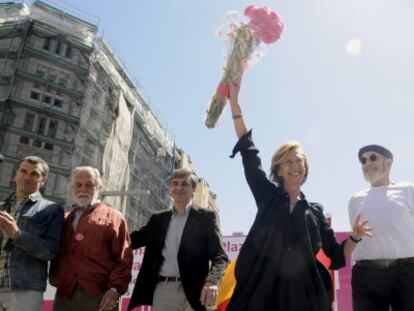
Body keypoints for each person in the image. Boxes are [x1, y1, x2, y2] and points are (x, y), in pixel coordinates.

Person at [225, 78, 372, 311]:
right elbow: (248, 152)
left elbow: (335, 255)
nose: (295, 166)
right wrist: (235, 105)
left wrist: (354, 237)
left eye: (299, 161)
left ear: (305, 167)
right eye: (289, 161)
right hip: (259, 293)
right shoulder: (267, 195)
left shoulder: (315, 211)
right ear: (279, 169)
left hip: (303, 298)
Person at [128, 168, 228, 311]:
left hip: (197, 291)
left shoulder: (206, 217)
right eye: (175, 183)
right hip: (164, 290)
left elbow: (220, 255)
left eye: (184, 184)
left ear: (193, 189)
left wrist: (212, 281)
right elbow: (131, 241)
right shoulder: (158, 219)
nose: (179, 188)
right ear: (170, 188)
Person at [49, 166, 132, 311]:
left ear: (99, 187)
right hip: (64, 296)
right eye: (78, 185)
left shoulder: (114, 217)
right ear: (72, 188)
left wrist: (114, 290)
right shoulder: (63, 219)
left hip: (99, 296)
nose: (83, 189)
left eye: (89, 185)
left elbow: (123, 258)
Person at [349, 145, 414, 311]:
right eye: (363, 160)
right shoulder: (355, 199)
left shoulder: (408, 190)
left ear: (389, 163)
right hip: (366, 275)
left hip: (406, 273)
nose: (367, 163)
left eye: (373, 158)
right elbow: (356, 236)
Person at [0, 155, 64, 311]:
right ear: (16, 175)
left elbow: (50, 251)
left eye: (34, 174)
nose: (27, 177)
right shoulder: (1, 207)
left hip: (25, 289)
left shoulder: (52, 210)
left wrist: (17, 235)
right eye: (23, 171)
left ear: (43, 181)